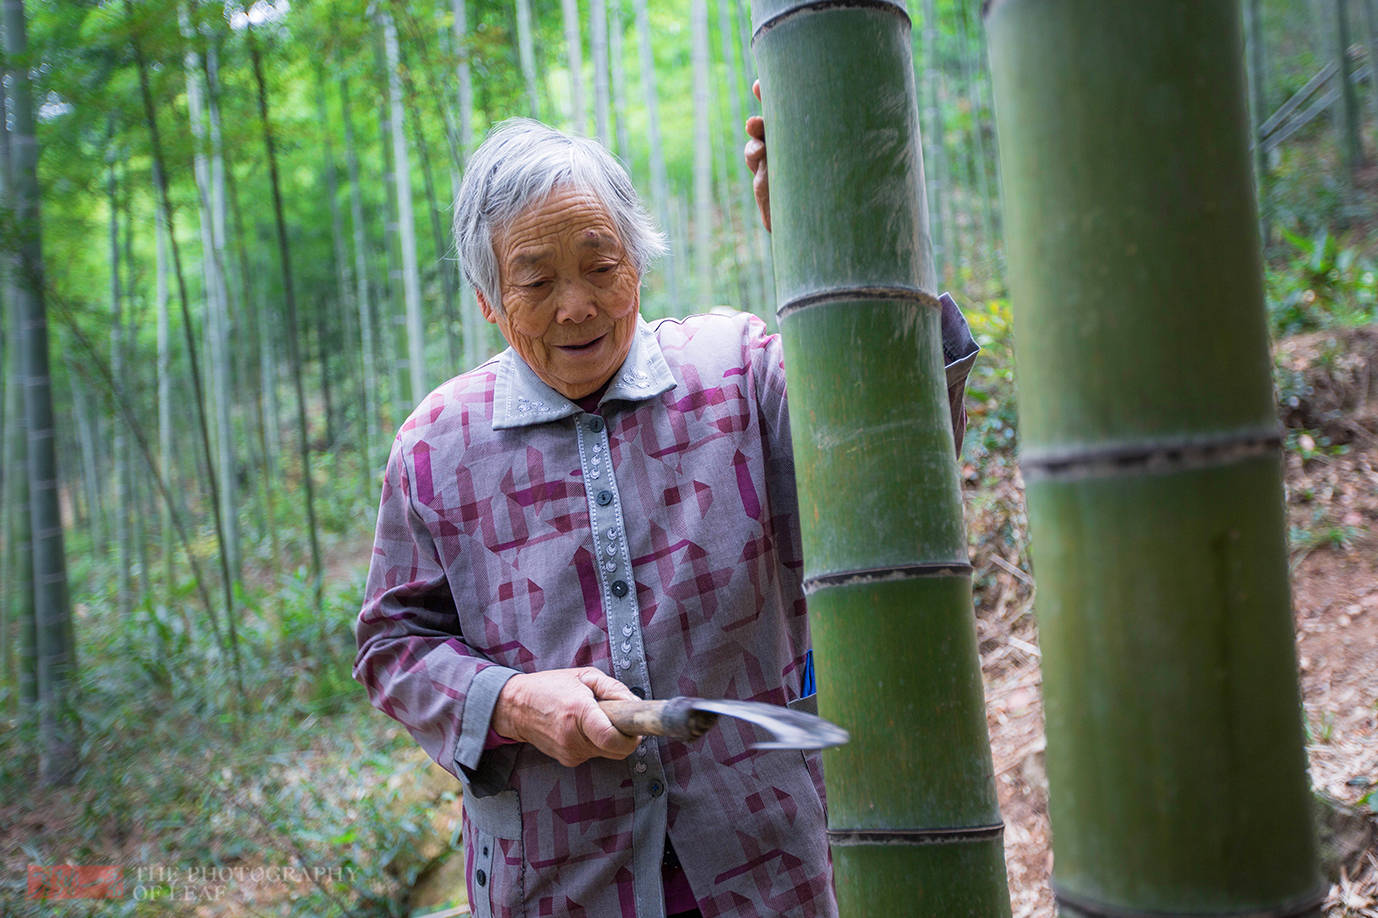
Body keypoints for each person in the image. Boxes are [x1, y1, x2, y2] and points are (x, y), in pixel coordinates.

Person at [354, 116, 978, 918]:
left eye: (600, 265)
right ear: (487, 300)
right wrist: (511, 702)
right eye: (536, 282)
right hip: (555, 883)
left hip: (768, 866)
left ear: (638, 261)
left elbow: (894, 452)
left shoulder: (738, 374)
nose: (576, 307)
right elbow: (392, 644)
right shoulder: (437, 447)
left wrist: (840, 233)